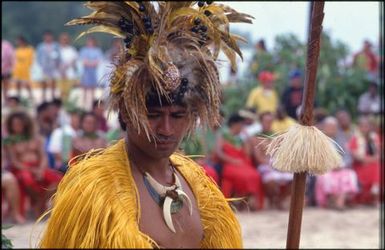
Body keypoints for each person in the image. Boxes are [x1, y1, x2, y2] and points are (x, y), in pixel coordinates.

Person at [39, 2, 252, 248]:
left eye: (178, 115)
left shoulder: (199, 184)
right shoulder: (93, 191)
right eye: (153, 115)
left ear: (191, 116)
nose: (166, 129)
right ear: (127, 112)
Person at [4, 111, 62, 218]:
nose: (17, 127)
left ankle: (40, 202)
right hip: (21, 168)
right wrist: (32, 170)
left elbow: (43, 156)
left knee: (58, 180)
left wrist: (40, 169)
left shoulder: (36, 138)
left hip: (38, 167)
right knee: (27, 178)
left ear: (26, 124)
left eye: (19, 124)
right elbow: (14, 162)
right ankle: (38, 203)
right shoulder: (9, 141)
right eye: (14, 124)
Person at [214, 113, 263, 210]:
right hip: (229, 165)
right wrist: (232, 160)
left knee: (255, 175)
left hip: (242, 164)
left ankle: (246, 202)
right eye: (241, 125)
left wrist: (246, 138)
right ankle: (243, 202)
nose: (242, 127)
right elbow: (219, 152)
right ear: (234, 125)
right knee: (245, 176)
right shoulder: (223, 135)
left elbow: (247, 154)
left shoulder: (241, 138)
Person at [315, 117, 358, 210]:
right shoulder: (318, 141)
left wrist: (341, 165)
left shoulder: (341, 139)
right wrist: (330, 166)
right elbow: (316, 158)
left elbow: (347, 156)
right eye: (329, 127)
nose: (332, 130)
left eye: (334, 127)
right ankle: (332, 201)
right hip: (325, 169)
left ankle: (340, 202)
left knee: (350, 174)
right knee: (326, 177)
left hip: (340, 168)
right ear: (324, 127)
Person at [254, 112, 292, 210]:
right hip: (265, 164)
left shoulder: (277, 136)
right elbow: (258, 157)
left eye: (270, 121)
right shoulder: (256, 137)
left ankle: (280, 199)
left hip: (278, 164)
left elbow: (282, 153)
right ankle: (273, 200)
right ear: (261, 122)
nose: (268, 123)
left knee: (294, 179)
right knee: (270, 180)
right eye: (266, 121)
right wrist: (270, 164)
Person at [347, 116, 380, 206]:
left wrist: (368, 160)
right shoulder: (354, 138)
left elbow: (378, 155)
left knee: (377, 166)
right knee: (374, 166)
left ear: (369, 127)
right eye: (362, 126)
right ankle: (367, 198)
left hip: (371, 163)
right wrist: (368, 160)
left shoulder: (374, 137)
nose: (364, 128)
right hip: (359, 165)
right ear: (358, 127)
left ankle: (374, 197)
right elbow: (357, 157)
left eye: (366, 126)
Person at [79, 36, 104, 109]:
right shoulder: (84, 50)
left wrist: (91, 63)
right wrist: (90, 63)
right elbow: (83, 60)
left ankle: (92, 105)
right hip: (86, 72)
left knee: (92, 89)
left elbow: (99, 61)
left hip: (93, 72)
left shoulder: (97, 50)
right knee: (85, 88)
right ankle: (83, 105)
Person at [36, 30, 61, 101]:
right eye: (46, 36)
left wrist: (58, 65)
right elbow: (38, 57)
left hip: (53, 67)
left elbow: (59, 56)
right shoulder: (41, 46)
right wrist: (40, 65)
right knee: (44, 83)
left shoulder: (55, 46)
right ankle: (44, 98)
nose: (48, 38)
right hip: (44, 68)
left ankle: (53, 97)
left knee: (53, 83)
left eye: (49, 36)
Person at [12, 36, 35, 102]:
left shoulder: (29, 49)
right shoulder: (17, 50)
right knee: (18, 85)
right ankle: (18, 97)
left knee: (27, 85)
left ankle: (31, 97)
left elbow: (31, 60)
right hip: (18, 70)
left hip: (25, 70)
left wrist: (29, 67)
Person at [58, 32, 79, 102]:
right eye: (63, 39)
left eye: (65, 39)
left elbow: (74, 61)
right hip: (59, 74)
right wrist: (61, 69)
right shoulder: (57, 49)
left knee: (68, 93)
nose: (64, 41)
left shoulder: (72, 50)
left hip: (69, 74)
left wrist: (67, 66)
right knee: (61, 92)